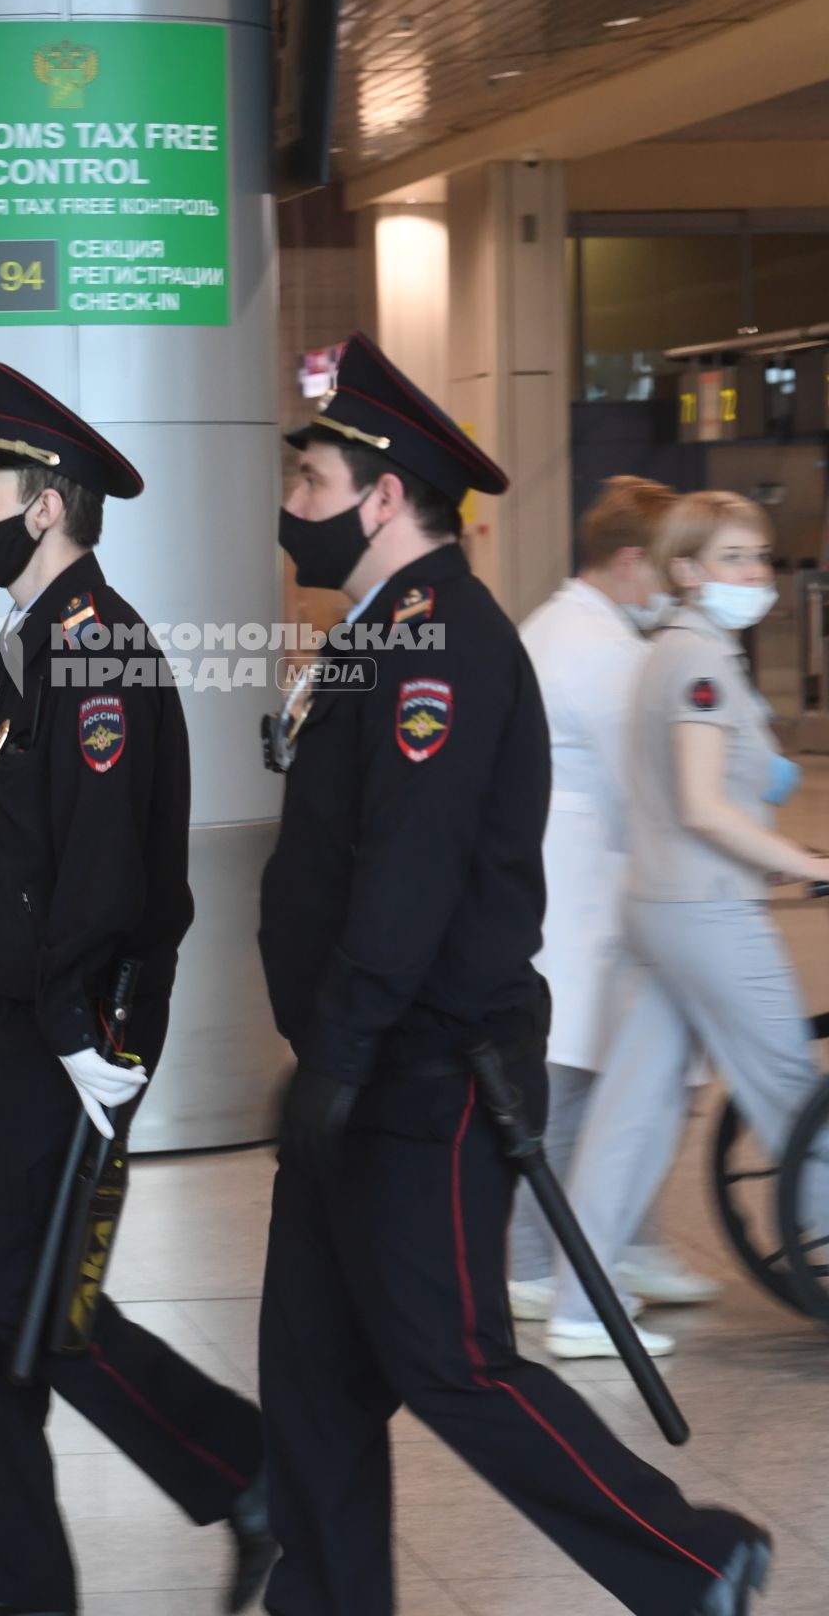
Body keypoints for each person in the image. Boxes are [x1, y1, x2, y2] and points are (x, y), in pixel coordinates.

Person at [256, 334, 771, 1616]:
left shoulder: (441, 645)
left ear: (382, 496)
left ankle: (693, 1559)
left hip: (423, 1071)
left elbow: (410, 873)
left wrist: (338, 1049)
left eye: (309, 481)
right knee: (310, 1375)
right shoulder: (379, 635)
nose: (291, 508)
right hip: (358, 1059)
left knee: (456, 1364)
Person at [0, 363, 273, 1616]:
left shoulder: (97, 656)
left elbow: (102, 880)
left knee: (36, 1298)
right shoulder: (36, 646)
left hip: (78, 1029)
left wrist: (61, 1025)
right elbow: (11, 860)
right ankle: (16, 1573)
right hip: (18, 1015)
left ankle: (248, 1471)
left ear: (46, 506)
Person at [549, 490, 829, 1359]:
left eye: (760, 557)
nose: (755, 574)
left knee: (634, 1107)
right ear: (686, 570)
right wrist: (812, 865)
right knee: (792, 1093)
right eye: (734, 558)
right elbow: (706, 806)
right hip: (706, 911)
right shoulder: (699, 662)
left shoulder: (671, 652)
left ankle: (580, 1306)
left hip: (662, 905)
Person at [510, 476, 721, 1328]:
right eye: (669, 565)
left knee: (608, 1077)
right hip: (582, 892)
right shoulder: (597, 649)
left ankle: (622, 1240)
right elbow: (658, 779)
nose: (675, 583)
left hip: (585, 888)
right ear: (634, 560)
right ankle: (534, 1261)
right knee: (572, 1086)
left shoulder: (570, 623)